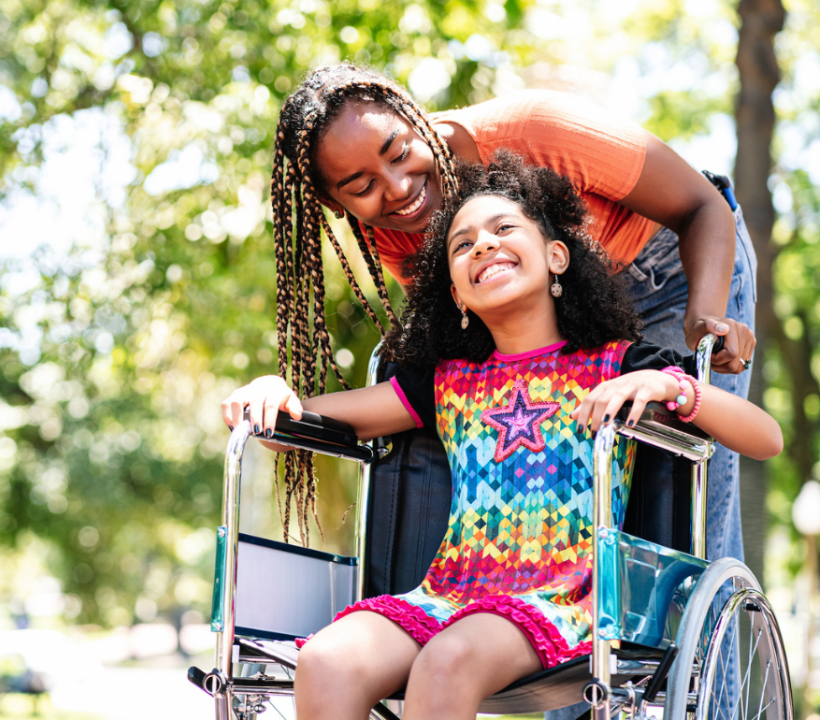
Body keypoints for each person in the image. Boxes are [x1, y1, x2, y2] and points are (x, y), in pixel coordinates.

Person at [226, 155, 780, 720]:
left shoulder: (621, 365)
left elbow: (766, 438)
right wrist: (275, 393)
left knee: (447, 660)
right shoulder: (445, 382)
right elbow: (313, 420)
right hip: (449, 593)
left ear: (556, 256)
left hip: (568, 597)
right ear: (457, 294)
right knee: (327, 660)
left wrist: (673, 386)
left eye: (503, 229)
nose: (483, 246)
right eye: (462, 246)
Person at [270, 62, 756, 573]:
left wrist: (704, 316)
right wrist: (290, 404)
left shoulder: (533, 128)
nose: (396, 188)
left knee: (684, 505)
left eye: (398, 152)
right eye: (361, 185)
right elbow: (473, 334)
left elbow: (702, 206)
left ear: (414, 118)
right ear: (334, 201)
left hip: (671, 269)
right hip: (554, 310)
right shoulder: (392, 228)